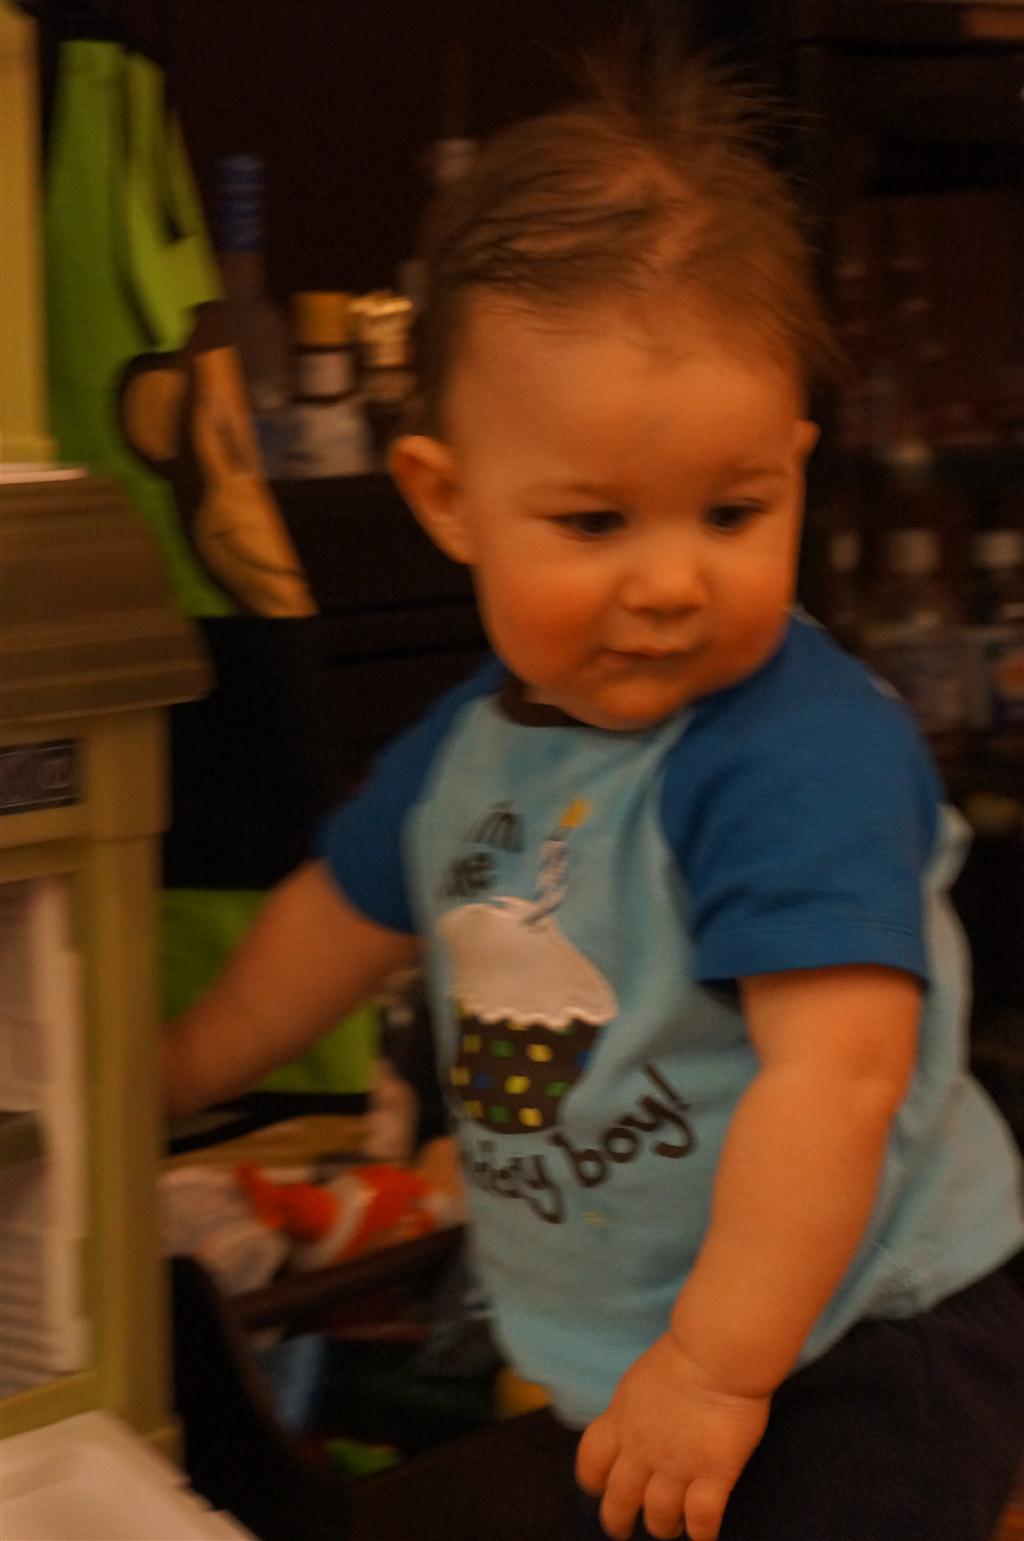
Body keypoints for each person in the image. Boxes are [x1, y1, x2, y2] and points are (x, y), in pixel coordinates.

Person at [163, 49, 1024, 1541]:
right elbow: (333, 921)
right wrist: (164, 1073)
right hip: (648, 1353)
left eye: (733, 510)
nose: (673, 579)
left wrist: (714, 1367)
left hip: (855, 1340)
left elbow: (838, 1079)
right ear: (447, 498)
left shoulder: (794, 756)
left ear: (797, 465)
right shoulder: (472, 747)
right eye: (596, 521)